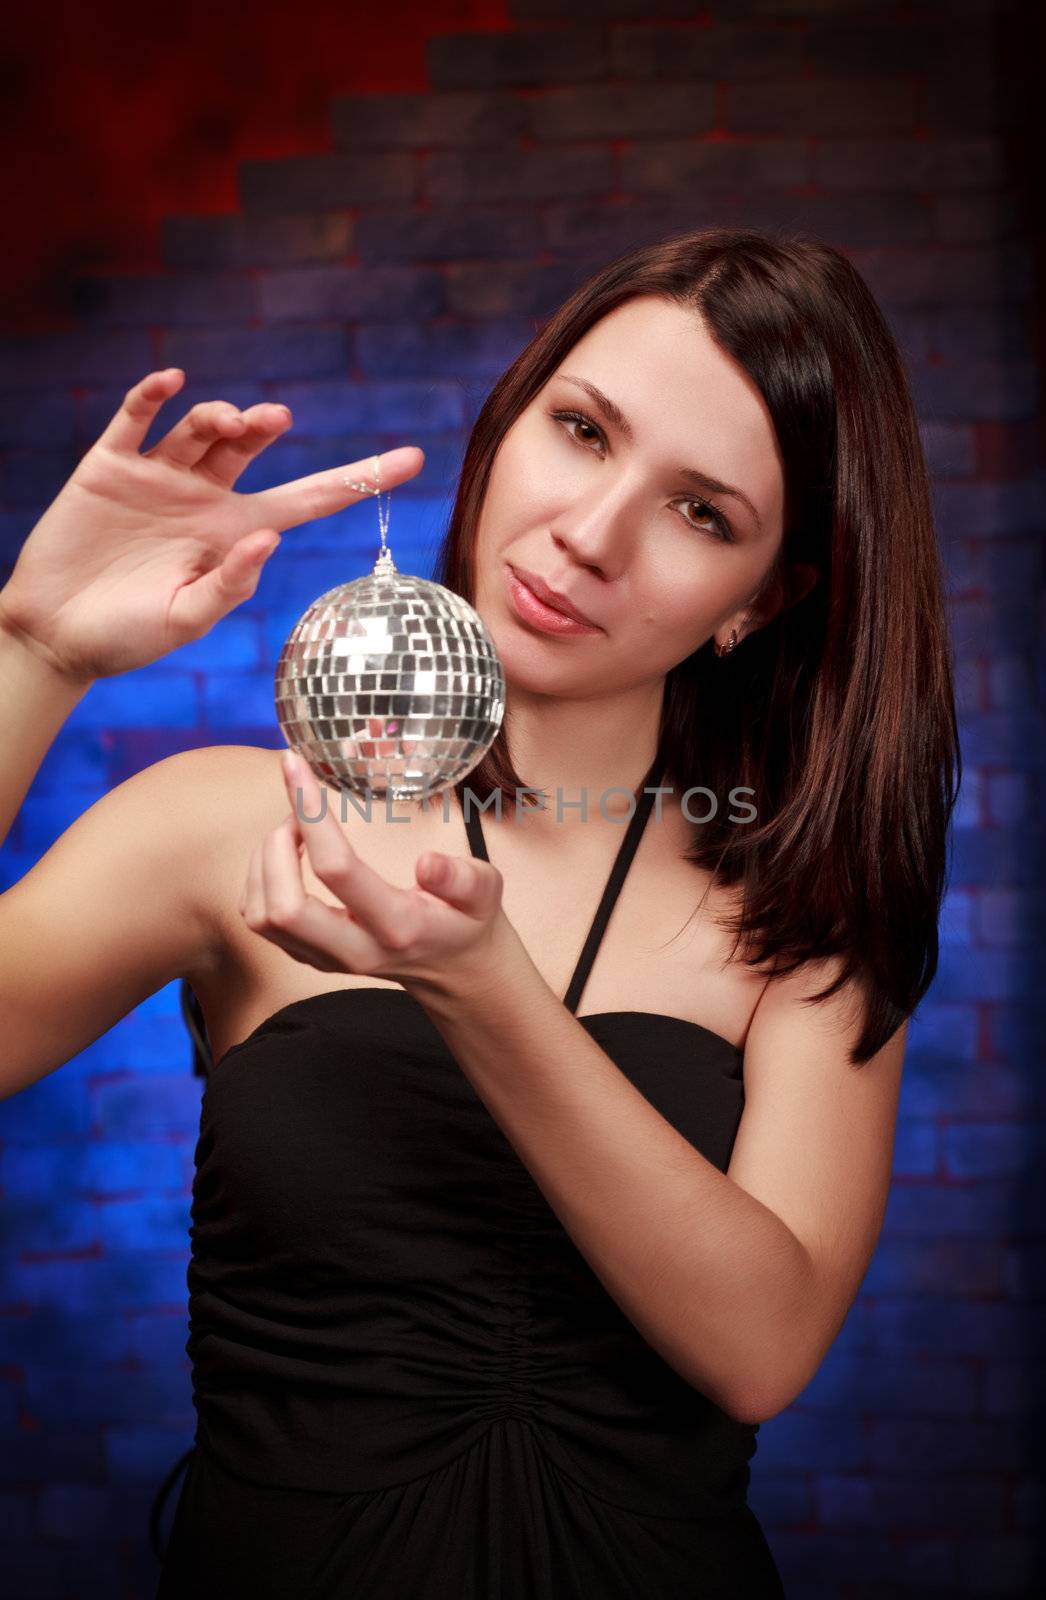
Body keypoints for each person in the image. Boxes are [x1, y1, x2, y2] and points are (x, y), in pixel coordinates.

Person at [0, 226, 960, 1599]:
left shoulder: (801, 916)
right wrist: (31, 652)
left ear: (767, 598)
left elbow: (760, 1351)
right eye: (580, 431)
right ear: (508, 422)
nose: (589, 533)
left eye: (702, 513)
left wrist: (481, 983)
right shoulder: (230, 818)